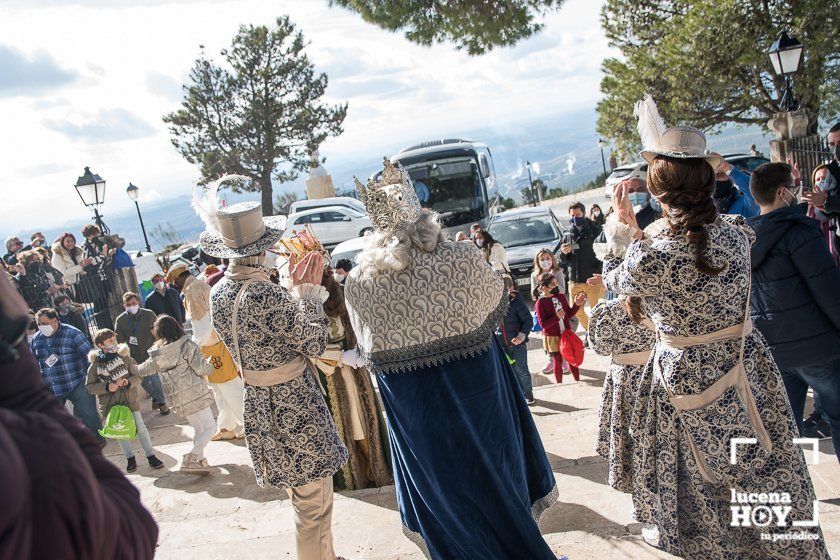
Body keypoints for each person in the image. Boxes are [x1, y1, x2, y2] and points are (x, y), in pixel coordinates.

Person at [602, 99, 829, 558]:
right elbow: (692, 254)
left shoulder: (650, 257)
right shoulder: (738, 232)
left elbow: (618, 287)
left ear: (657, 193)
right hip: (747, 372)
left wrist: (623, 231)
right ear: (709, 181)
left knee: (702, 496)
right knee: (765, 476)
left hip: (684, 382)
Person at [344, 159, 559, 559]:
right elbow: (496, 300)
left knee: (445, 503)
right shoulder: (462, 259)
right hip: (483, 408)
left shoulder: (359, 282)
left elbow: (367, 346)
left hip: (422, 424)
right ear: (426, 219)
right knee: (499, 488)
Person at [199, 183, 347, 560]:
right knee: (313, 503)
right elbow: (314, 344)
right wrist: (309, 294)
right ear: (262, 249)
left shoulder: (219, 291)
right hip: (292, 402)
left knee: (306, 499)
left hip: (260, 402)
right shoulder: (266, 293)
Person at [0, 268, 159, 559]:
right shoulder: (22, 446)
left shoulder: (72, 335)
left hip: (68, 386)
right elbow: (127, 533)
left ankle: (144, 454)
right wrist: (21, 377)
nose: (22, 307)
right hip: (52, 393)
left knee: (100, 424)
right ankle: (130, 457)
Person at [746, 162, 840, 463]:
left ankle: (793, 495)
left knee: (785, 430)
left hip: (773, 351)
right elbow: (828, 290)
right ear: (783, 192)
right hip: (817, 348)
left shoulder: (744, 240)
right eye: (795, 188)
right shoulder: (799, 231)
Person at [313, 266, 392, 490]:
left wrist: (360, 351)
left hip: (355, 369)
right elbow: (307, 345)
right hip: (328, 373)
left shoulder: (344, 292)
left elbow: (368, 324)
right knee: (344, 426)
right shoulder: (303, 301)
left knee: (363, 422)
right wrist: (338, 357)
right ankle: (354, 476)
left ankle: (374, 471)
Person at [168, 263, 245, 441]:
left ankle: (248, 424)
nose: (176, 285)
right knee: (220, 390)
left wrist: (194, 347)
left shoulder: (193, 290)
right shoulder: (198, 285)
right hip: (214, 344)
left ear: (179, 278)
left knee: (229, 388)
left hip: (213, 346)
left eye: (175, 282)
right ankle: (227, 426)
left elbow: (201, 324)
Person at [138, 314, 216, 474]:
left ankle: (199, 461)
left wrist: (128, 367)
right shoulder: (187, 345)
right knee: (210, 428)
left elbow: (144, 369)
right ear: (176, 326)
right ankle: (191, 457)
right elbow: (201, 368)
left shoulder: (157, 353)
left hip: (177, 397)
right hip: (195, 392)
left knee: (199, 429)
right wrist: (212, 365)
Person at [86, 329, 164, 472]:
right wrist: (107, 386)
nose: (113, 343)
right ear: (100, 345)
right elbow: (90, 387)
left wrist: (127, 383)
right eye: (109, 341)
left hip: (129, 401)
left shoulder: (126, 358)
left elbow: (138, 376)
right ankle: (130, 458)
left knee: (141, 428)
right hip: (110, 404)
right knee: (120, 432)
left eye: (114, 340)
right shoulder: (95, 365)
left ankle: (151, 455)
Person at [29, 307, 104, 444]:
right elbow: (33, 362)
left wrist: (92, 380)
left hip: (77, 382)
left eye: (45, 323)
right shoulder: (36, 339)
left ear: (56, 320)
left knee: (89, 414)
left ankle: (98, 441)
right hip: (52, 387)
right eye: (39, 324)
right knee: (52, 419)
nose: (42, 327)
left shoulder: (73, 334)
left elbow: (89, 357)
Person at [115, 292, 170, 416]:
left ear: (138, 302)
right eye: (128, 304)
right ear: (124, 306)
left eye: (133, 303)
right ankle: (156, 398)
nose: (131, 306)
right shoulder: (121, 320)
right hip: (133, 357)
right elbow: (120, 340)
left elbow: (157, 331)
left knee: (154, 379)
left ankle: (162, 403)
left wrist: (160, 345)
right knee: (143, 381)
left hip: (150, 353)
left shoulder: (149, 314)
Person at [559, 202, 603, 331]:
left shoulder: (595, 230)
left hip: (593, 279)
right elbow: (561, 259)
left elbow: (603, 253)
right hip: (575, 280)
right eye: (572, 215)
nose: (575, 218)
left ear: (583, 213)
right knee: (576, 312)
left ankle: (597, 334)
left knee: (598, 311)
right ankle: (592, 332)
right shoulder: (567, 234)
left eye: (577, 215)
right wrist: (563, 252)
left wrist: (600, 273)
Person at [534, 272, 584, 383]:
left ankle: (577, 381)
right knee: (558, 360)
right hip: (552, 337)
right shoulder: (540, 303)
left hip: (566, 333)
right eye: (553, 284)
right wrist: (556, 317)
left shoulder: (560, 297)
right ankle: (559, 383)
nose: (556, 286)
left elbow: (569, 314)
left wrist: (576, 304)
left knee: (572, 358)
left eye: (556, 283)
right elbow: (543, 325)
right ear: (544, 287)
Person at [498, 275, 535, 404]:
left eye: (503, 289)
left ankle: (527, 392)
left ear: (511, 288)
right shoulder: (493, 305)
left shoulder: (516, 303)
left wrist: (521, 336)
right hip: (503, 345)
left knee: (521, 369)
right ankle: (519, 393)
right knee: (511, 371)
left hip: (518, 344)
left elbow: (528, 321)